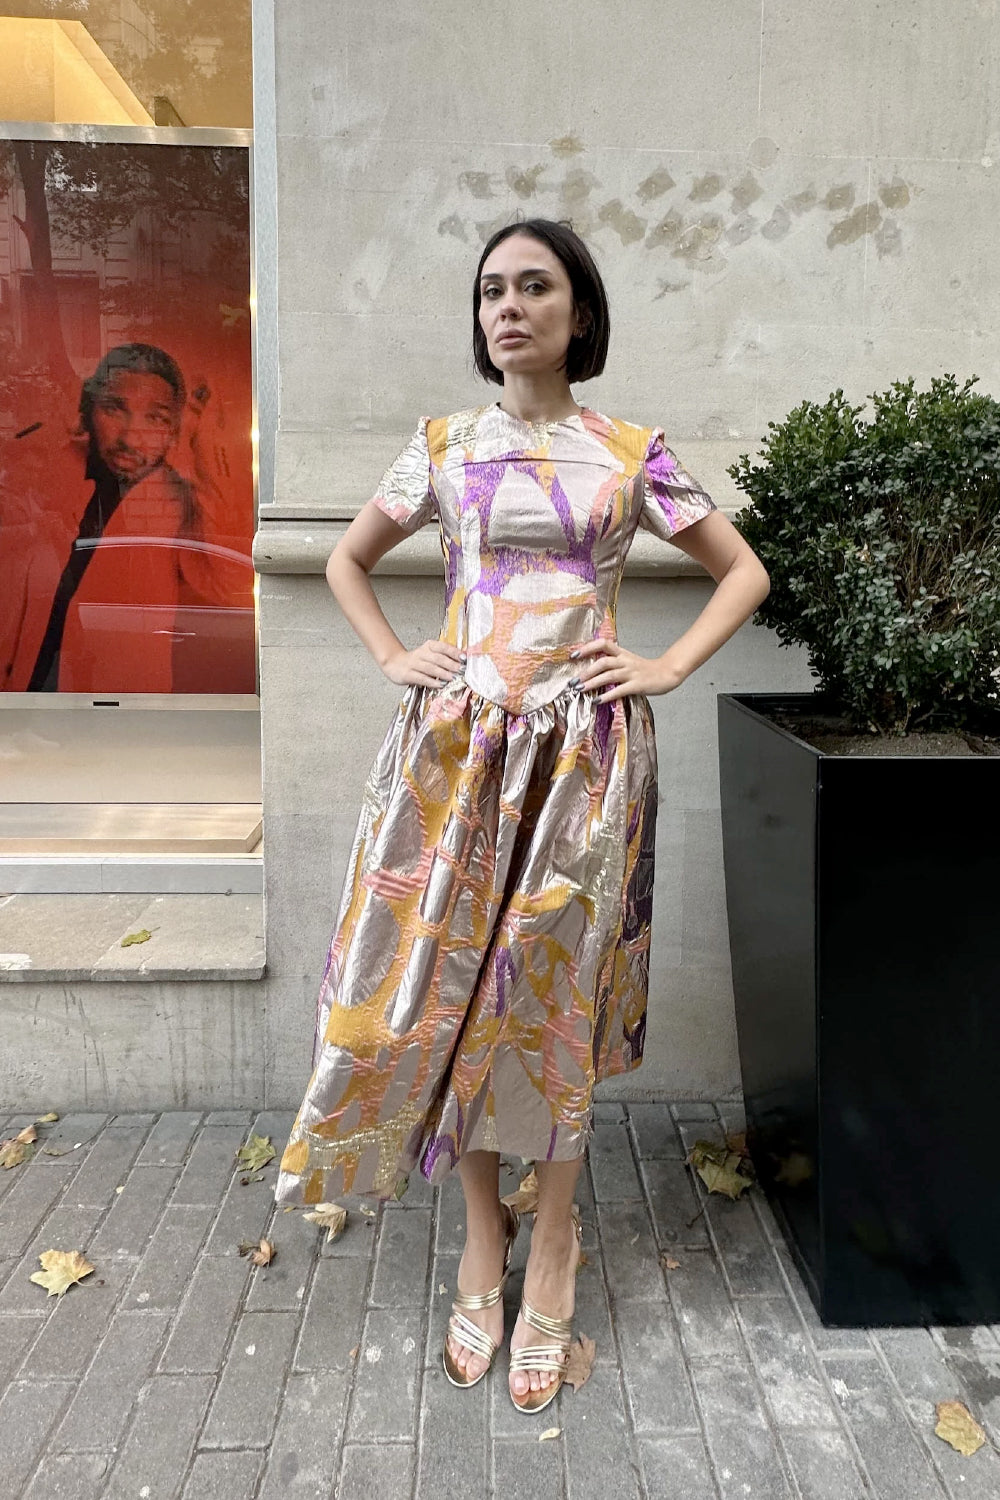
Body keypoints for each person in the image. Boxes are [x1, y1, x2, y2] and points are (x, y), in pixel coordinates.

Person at [273, 217, 770, 1413]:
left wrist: (662, 666)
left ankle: (553, 1239)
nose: (508, 306)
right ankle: (481, 1235)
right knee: (454, 985)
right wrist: (395, 653)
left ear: (578, 313)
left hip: (585, 760)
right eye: (492, 289)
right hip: (455, 754)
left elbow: (743, 571)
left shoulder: (630, 452)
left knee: (549, 999)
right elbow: (345, 561)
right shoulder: (442, 447)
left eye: (533, 286)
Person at [0, 343, 253, 694]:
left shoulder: (182, 503)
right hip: (21, 698)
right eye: (114, 409)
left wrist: (206, 447)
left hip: (120, 702)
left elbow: (232, 585)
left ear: (175, 431)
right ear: (89, 410)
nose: (131, 438)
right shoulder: (42, 473)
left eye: (156, 418)